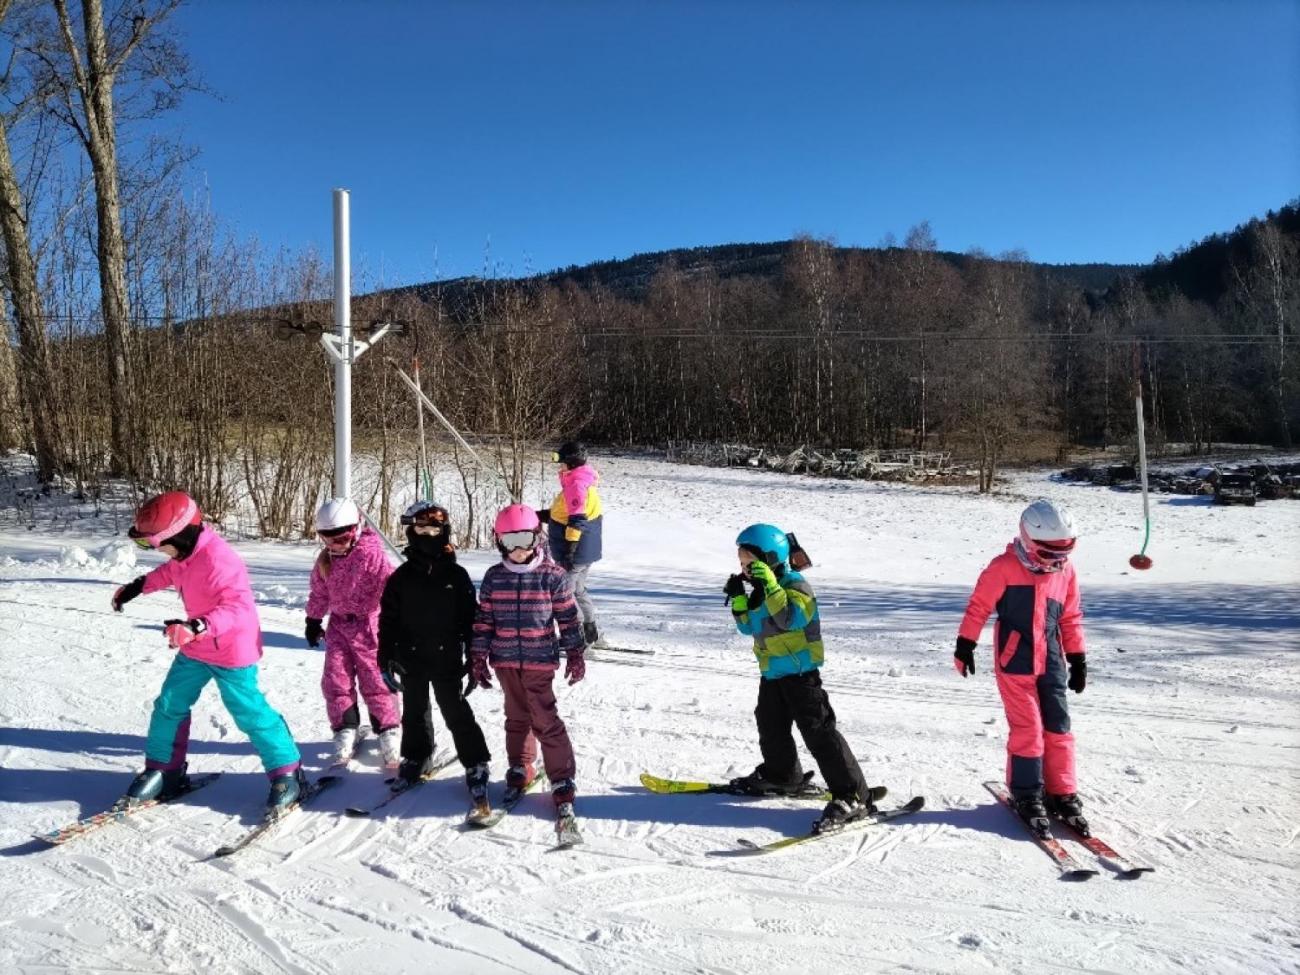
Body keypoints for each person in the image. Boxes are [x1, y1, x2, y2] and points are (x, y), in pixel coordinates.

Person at [111, 491, 305, 813]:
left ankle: (288, 772)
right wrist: (136, 587)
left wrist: (197, 626)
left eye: (153, 543)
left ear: (180, 534)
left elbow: (238, 608)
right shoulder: (183, 556)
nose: (154, 549)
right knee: (170, 703)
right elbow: (169, 573)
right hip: (197, 647)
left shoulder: (219, 559)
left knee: (248, 712)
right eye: (146, 545)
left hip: (231, 651)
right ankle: (164, 770)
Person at [725, 523, 877, 833]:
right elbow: (749, 628)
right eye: (741, 564)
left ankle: (852, 795)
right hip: (772, 673)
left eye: (749, 563)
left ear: (770, 559)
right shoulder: (762, 591)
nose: (744, 569)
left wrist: (771, 587)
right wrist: (740, 601)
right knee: (769, 724)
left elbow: (791, 618)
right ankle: (783, 776)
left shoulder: (796, 586)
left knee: (818, 732)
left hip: (801, 675)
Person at [954, 498, 1089, 837]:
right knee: (1028, 730)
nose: (1058, 561)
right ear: (1029, 541)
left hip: (1053, 661)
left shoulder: (1065, 572)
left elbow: (1071, 617)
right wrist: (965, 644)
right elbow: (978, 607)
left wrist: (1077, 657)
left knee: (1059, 727)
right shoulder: (1003, 567)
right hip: (1016, 661)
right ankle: (1027, 792)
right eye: (1051, 553)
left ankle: (1062, 791)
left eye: (1065, 553)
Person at [469, 504, 585, 824]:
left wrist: (575, 652)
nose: (518, 549)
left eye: (524, 539)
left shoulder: (553, 576)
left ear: (537, 537)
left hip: (539, 660)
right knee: (516, 715)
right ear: (498, 541)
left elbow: (568, 618)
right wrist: (478, 656)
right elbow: (484, 621)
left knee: (545, 718)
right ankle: (521, 763)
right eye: (509, 541)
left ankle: (562, 776)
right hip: (505, 660)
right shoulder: (495, 577)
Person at [377, 500, 491, 811]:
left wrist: (475, 658)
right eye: (421, 528)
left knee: (454, 709)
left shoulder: (456, 575)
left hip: (447, 657)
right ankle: (416, 755)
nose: (428, 534)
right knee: (413, 711)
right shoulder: (400, 577)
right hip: (410, 656)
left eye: (434, 529)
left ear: (444, 531)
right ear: (411, 532)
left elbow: (472, 621)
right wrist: (385, 656)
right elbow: (387, 620)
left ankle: (476, 761)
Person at [305, 498, 401, 767]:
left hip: (369, 628)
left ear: (356, 529)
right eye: (328, 539)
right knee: (336, 680)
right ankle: (345, 726)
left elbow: (393, 586)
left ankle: (388, 728)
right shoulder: (326, 561)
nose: (335, 545)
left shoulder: (372, 555)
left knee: (376, 681)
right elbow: (320, 592)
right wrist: (313, 620)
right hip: (338, 627)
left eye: (341, 539)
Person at [546, 440, 604, 647]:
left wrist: (570, 552)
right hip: (586, 550)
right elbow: (567, 512)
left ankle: (576, 636)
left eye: (561, 462)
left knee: (564, 595)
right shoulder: (581, 480)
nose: (559, 466)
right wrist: (542, 515)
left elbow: (577, 520)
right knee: (578, 589)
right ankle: (590, 630)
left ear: (570, 463)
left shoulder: (577, 484)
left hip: (576, 551)